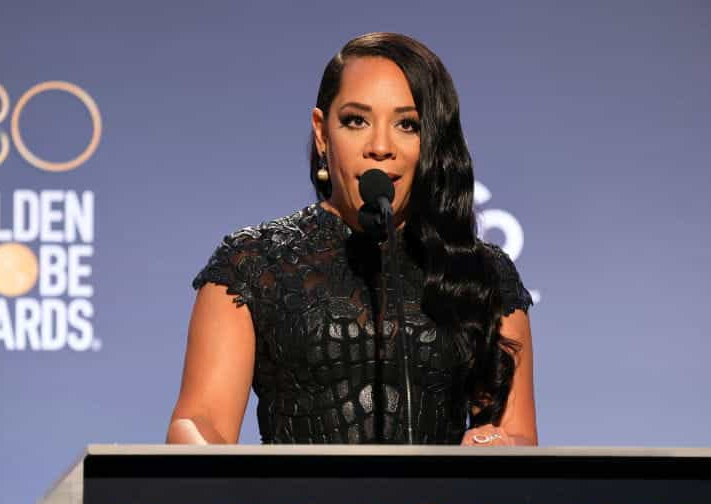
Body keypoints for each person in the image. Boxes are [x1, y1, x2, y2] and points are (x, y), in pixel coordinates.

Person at [167, 32, 537, 447]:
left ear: (432, 141)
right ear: (323, 134)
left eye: (407, 124)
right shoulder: (253, 263)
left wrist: (496, 445)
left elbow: (516, 434)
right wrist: (193, 446)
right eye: (356, 121)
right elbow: (203, 421)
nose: (380, 147)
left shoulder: (483, 272)